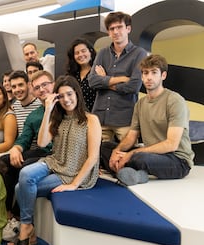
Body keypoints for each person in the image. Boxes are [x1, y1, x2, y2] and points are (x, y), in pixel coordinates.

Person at [15, 75, 101, 245]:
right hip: (54, 162)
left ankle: (26, 228)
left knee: (19, 188)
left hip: (71, 172)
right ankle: (27, 225)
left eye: (69, 94)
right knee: (25, 174)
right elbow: (42, 142)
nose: (66, 100)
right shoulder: (58, 118)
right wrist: (48, 110)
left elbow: (93, 157)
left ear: (77, 94)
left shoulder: (91, 119)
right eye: (61, 96)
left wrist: (74, 185)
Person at [100, 54, 194, 186]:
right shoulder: (140, 104)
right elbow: (131, 137)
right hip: (152, 154)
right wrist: (117, 151)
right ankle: (134, 173)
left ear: (163, 76)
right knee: (105, 147)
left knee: (139, 157)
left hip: (177, 160)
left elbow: (171, 144)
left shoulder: (175, 101)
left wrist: (131, 153)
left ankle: (127, 171)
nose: (149, 77)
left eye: (154, 72)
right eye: (145, 73)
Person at [1, 70, 54, 220]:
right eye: (37, 87)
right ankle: (7, 213)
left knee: (26, 166)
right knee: (3, 162)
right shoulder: (34, 115)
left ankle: (19, 217)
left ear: (53, 85)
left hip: (55, 156)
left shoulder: (64, 106)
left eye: (45, 85)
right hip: (39, 151)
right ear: (33, 89)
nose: (41, 90)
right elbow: (24, 138)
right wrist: (16, 148)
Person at [88, 11, 148, 142]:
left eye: (119, 27)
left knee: (126, 157)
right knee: (98, 157)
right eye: (112, 29)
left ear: (128, 28)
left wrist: (105, 80)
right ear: (108, 32)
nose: (115, 31)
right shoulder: (102, 53)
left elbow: (134, 86)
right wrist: (121, 79)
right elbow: (92, 81)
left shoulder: (139, 53)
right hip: (100, 116)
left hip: (125, 119)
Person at [66, 38, 97, 112]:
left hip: (95, 116)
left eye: (83, 51)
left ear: (90, 52)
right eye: (77, 53)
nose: (80, 55)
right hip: (76, 117)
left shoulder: (98, 71)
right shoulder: (71, 75)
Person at [10, 70, 41, 139]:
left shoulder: (41, 105)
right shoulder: (14, 107)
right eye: (14, 87)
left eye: (20, 85)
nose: (17, 89)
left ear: (29, 85)